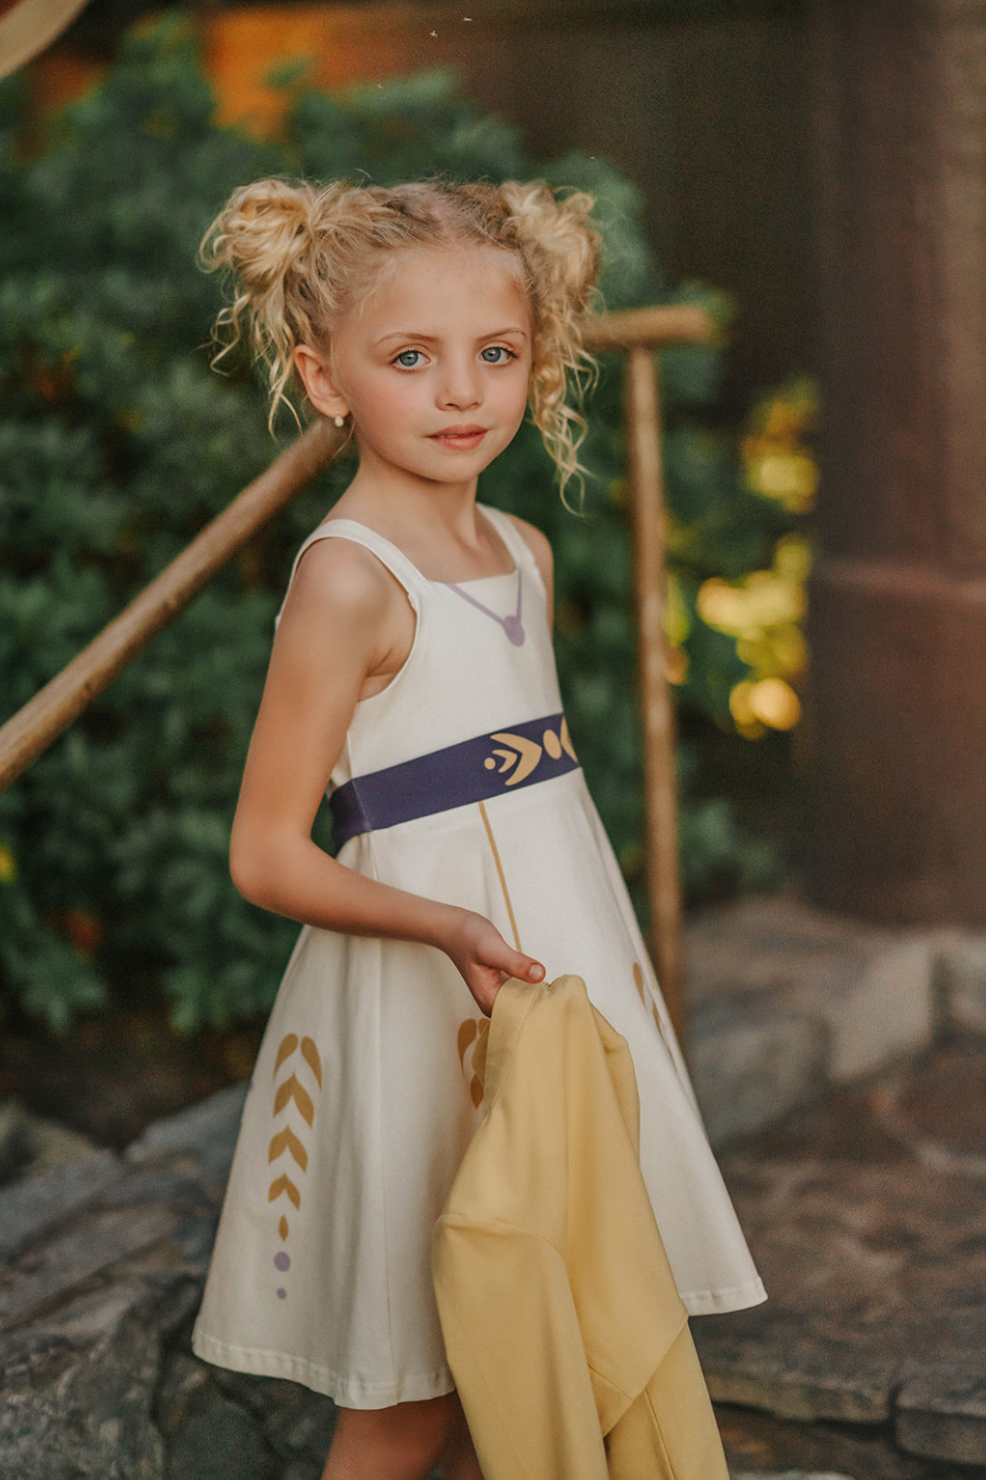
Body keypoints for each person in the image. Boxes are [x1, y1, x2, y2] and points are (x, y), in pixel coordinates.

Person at [190, 177, 765, 1480]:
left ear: (536, 362)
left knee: (551, 1311)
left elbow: (531, 802)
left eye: (494, 355)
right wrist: (442, 922)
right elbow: (266, 852)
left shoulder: (518, 550)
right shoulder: (348, 579)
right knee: (412, 1385)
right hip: (418, 994)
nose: (460, 393)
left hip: (547, 978)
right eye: (410, 359)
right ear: (322, 377)